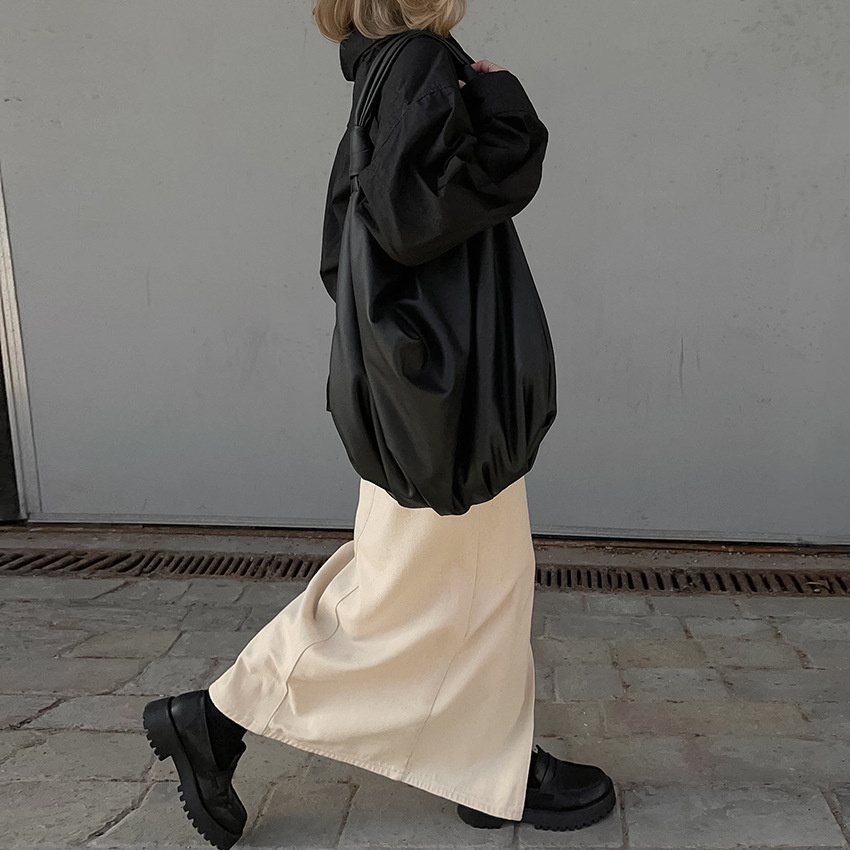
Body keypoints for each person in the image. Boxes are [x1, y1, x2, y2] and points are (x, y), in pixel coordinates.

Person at [142, 2, 616, 848]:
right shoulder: (418, 64)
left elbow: (355, 238)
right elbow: (414, 217)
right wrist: (506, 112)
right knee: (410, 591)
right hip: (438, 391)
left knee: (465, 578)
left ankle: (484, 760)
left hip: (422, 383)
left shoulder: (384, 68)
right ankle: (217, 716)